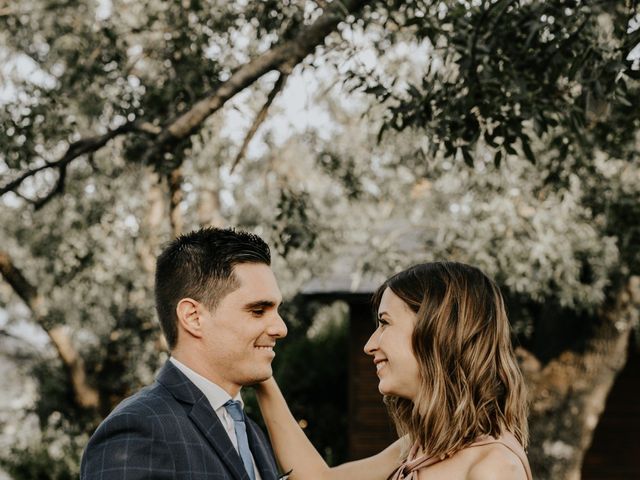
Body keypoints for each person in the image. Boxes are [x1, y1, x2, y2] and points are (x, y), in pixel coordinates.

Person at [255, 261, 531, 480]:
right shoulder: (419, 449)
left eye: (385, 323)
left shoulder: (493, 468)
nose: (369, 345)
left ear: (437, 333)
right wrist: (263, 378)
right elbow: (318, 478)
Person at [81, 227, 288, 480]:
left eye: (277, 310)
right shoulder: (138, 429)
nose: (281, 328)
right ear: (193, 317)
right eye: (258, 310)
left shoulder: (251, 432)